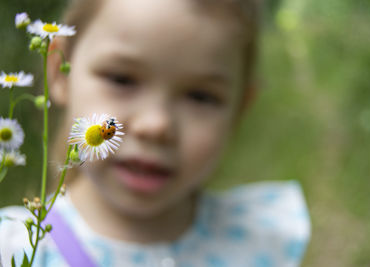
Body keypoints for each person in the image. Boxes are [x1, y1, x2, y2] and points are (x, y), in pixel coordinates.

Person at [0, 0, 311, 266]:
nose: (156, 125)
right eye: (122, 79)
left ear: (240, 110)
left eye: (200, 96)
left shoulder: (256, 243)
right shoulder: (17, 249)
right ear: (59, 71)